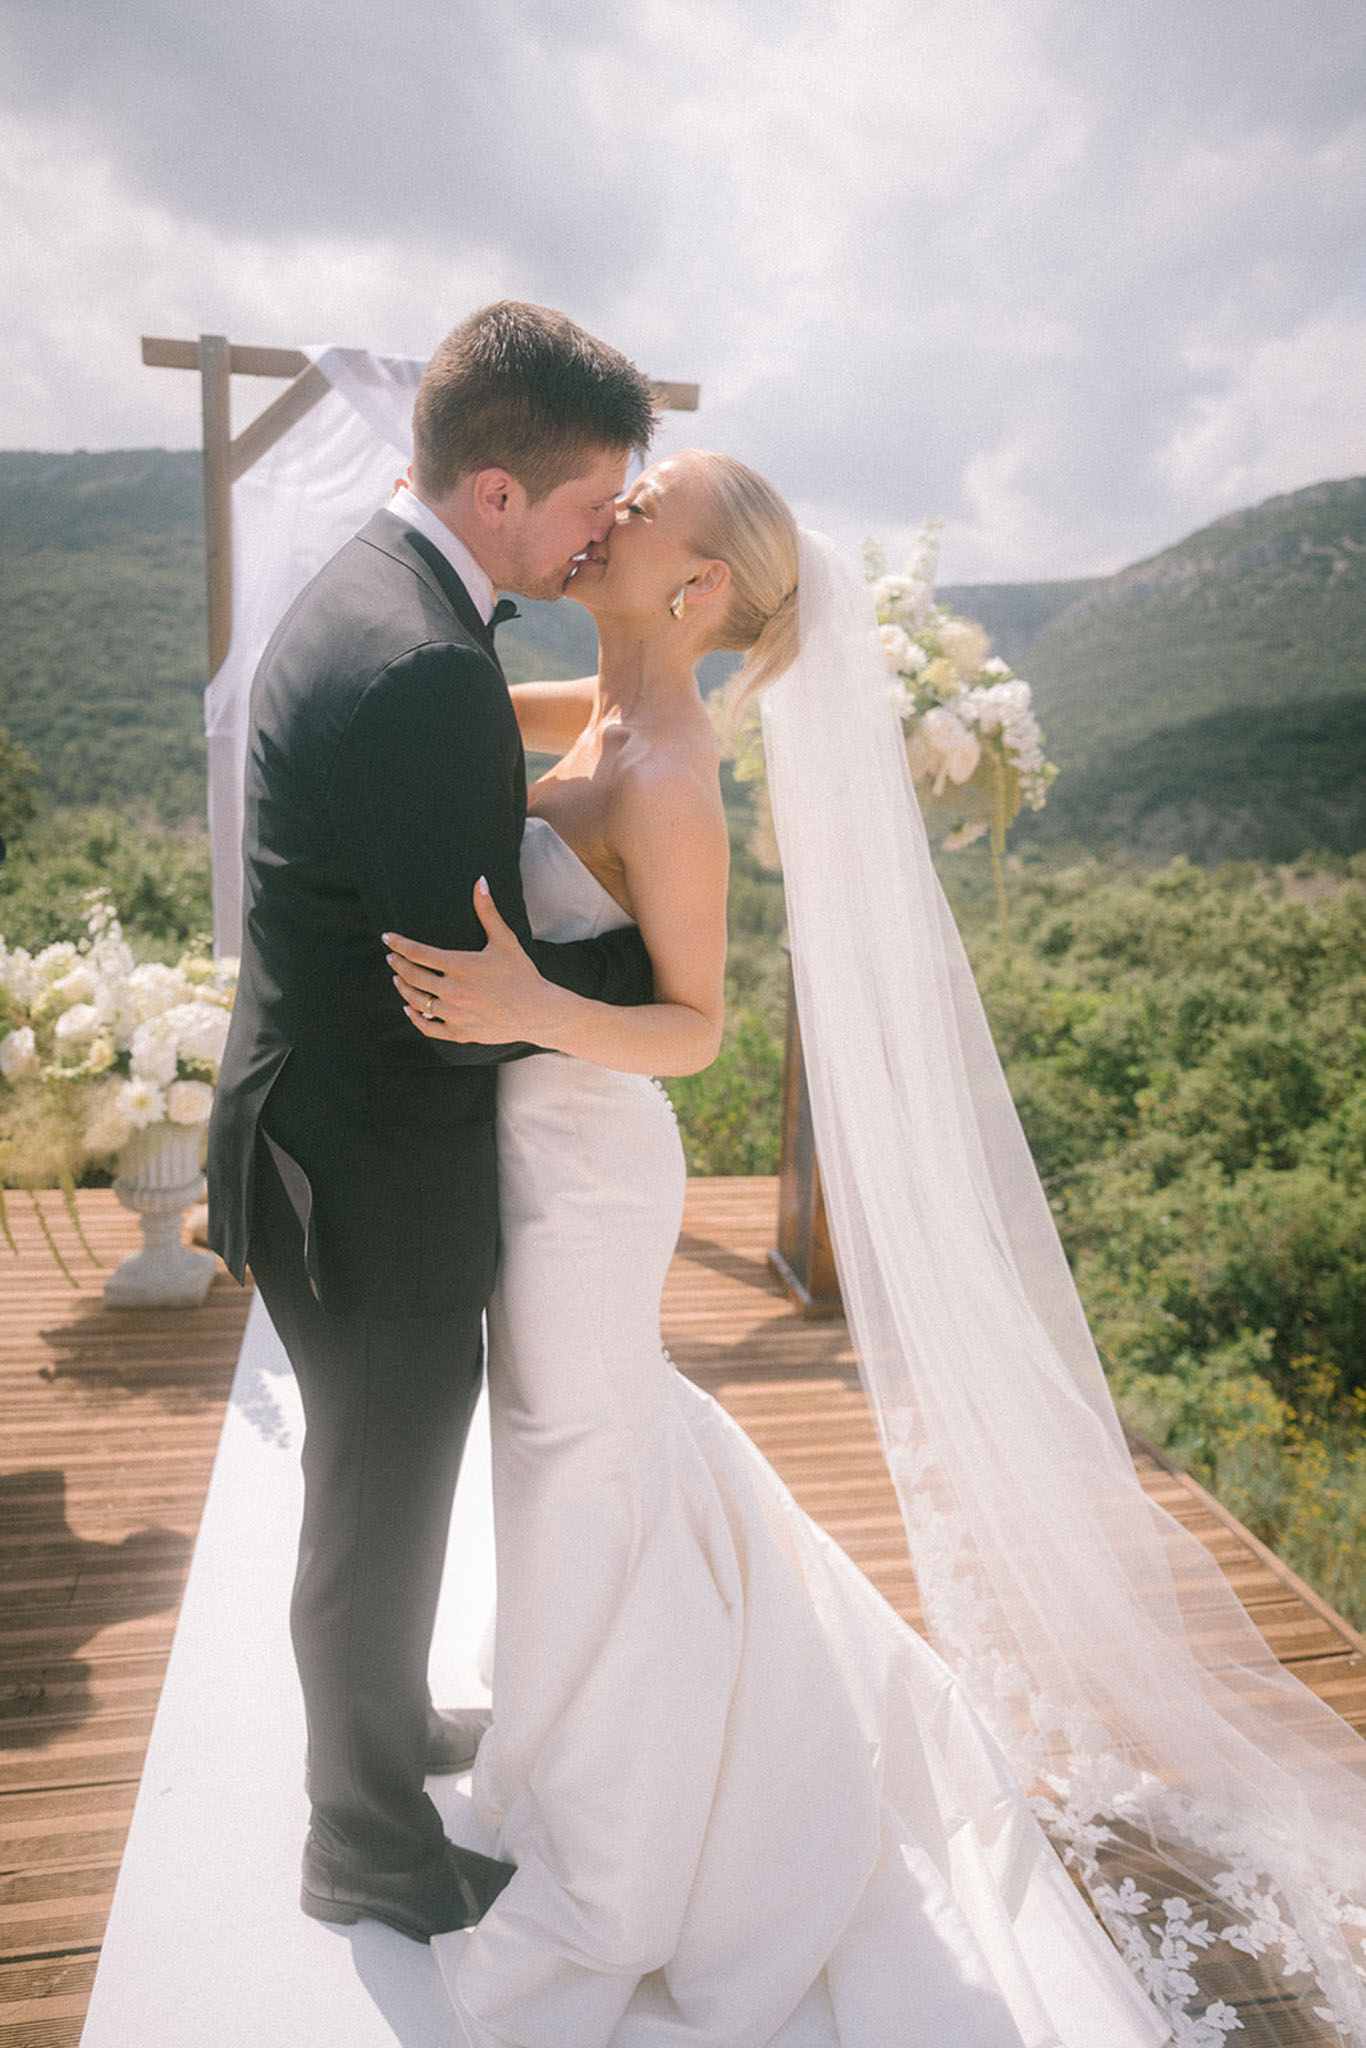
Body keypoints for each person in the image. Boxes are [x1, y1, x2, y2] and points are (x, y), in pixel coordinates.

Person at [383, 451, 1178, 2047]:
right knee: (582, 1457)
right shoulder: (597, 705)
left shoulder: (667, 770)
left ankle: (638, 1842)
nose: (602, 515)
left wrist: (529, 1009)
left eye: (640, 504)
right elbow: (451, 704)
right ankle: (582, 1738)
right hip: (532, 1147)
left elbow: (694, 1028)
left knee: (580, 1449)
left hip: (593, 1167)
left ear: (694, 591)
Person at [205, 302, 660, 1942]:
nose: (611, 524)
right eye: (594, 498)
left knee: (376, 1488)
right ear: (491, 493)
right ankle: (365, 1849)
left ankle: (386, 1740)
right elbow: (463, 975)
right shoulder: (419, 666)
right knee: (375, 1511)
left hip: (318, 1123)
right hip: (365, 1168)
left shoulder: (383, 590)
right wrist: (661, 953)